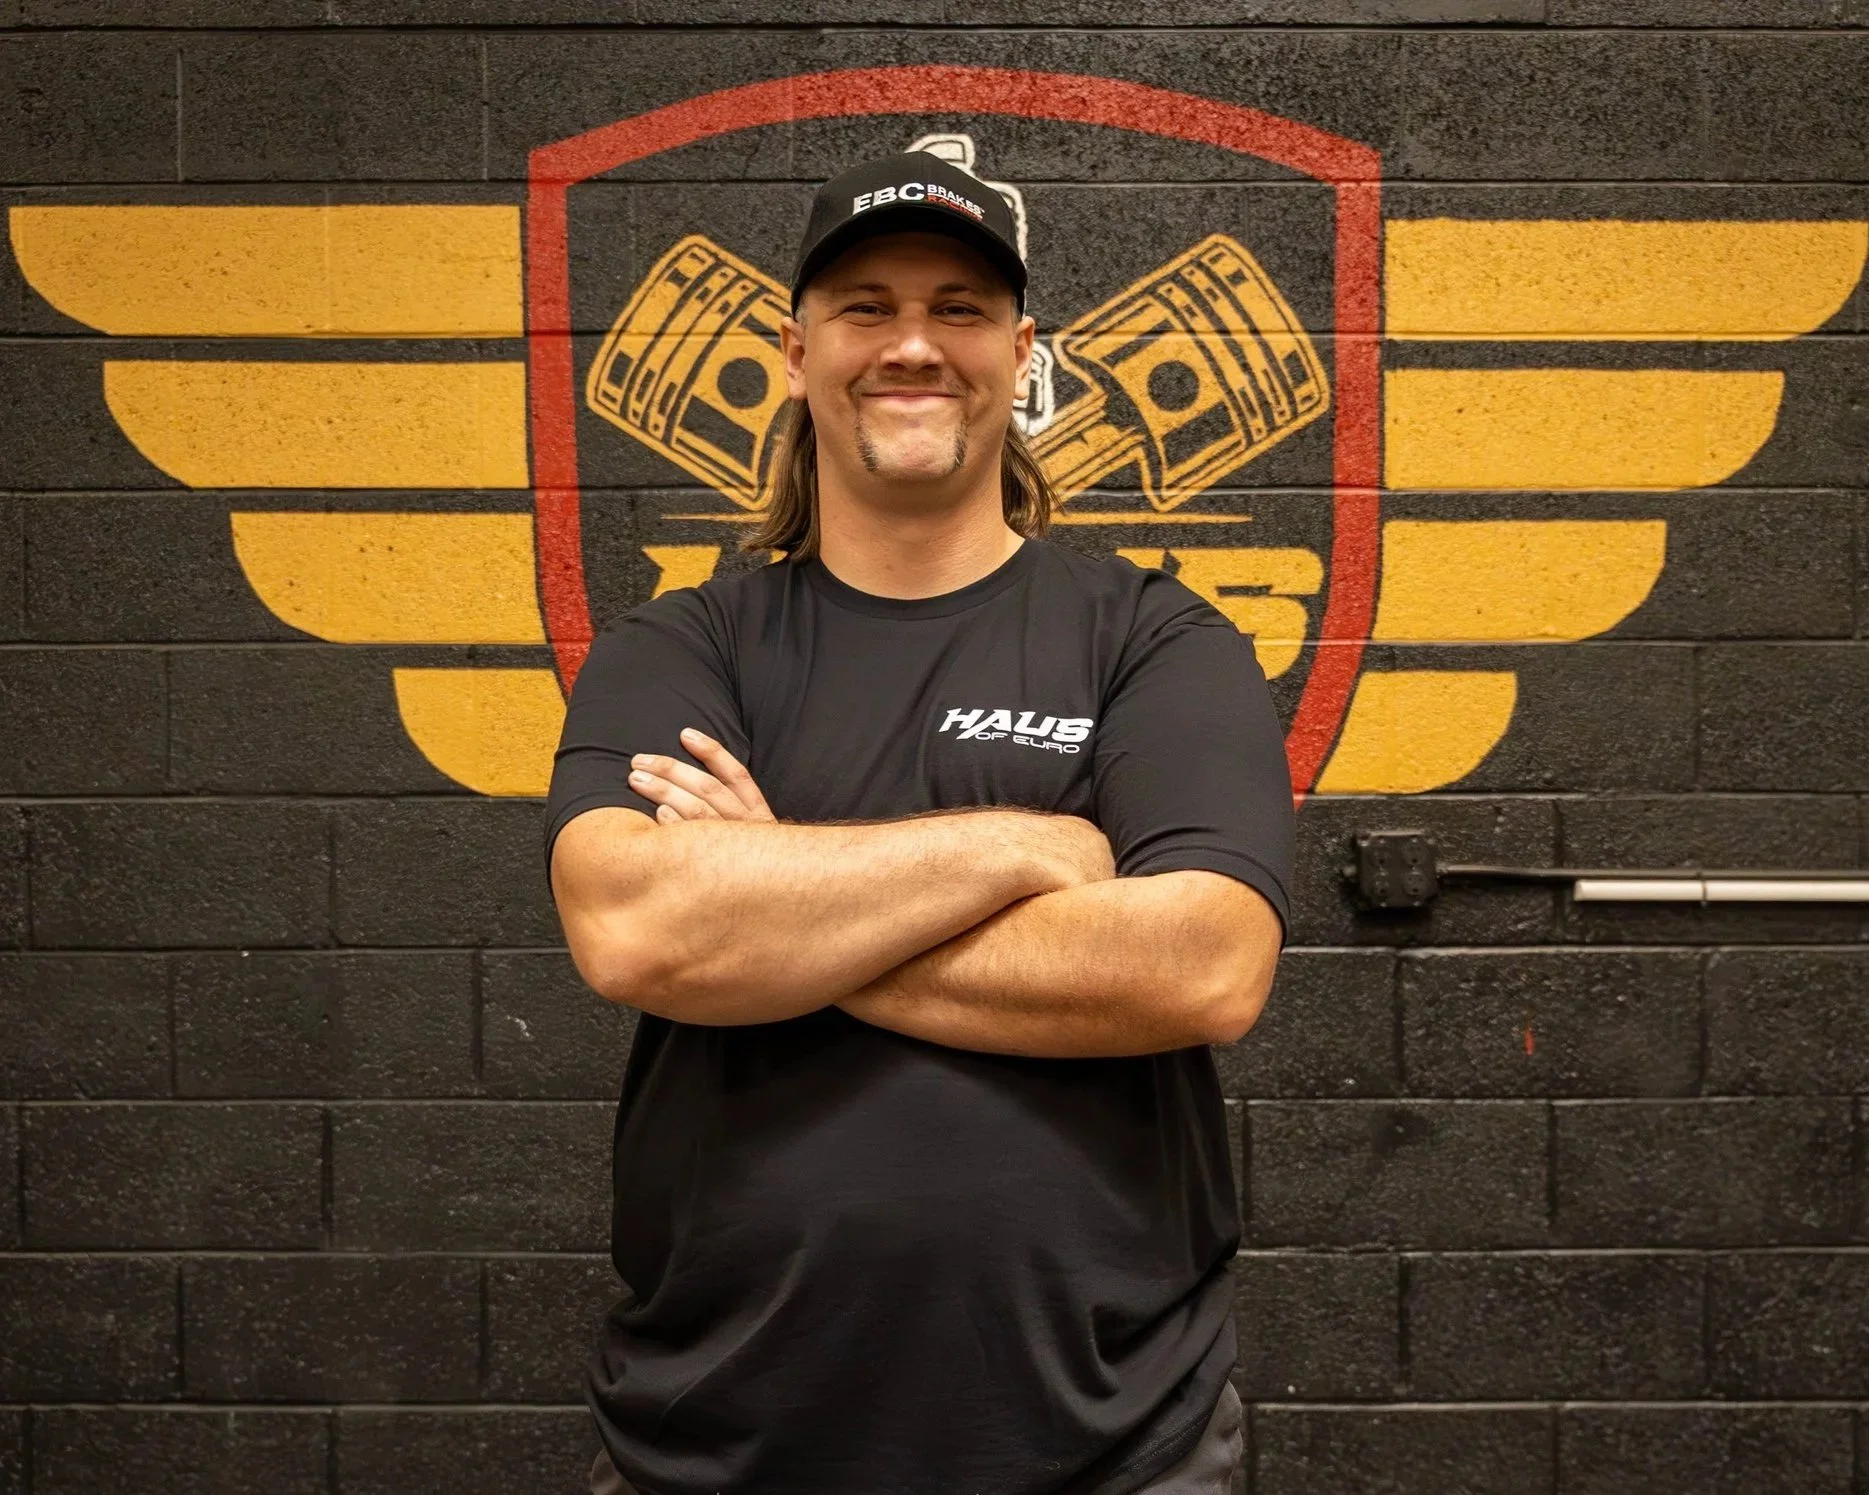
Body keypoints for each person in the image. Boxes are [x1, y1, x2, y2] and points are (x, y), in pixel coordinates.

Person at [545, 149, 1294, 1495]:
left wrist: (776, 902)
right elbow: (633, 926)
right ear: (793, 349)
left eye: (958, 309)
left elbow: (1206, 963)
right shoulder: (685, 647)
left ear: (1022, 353)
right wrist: (1027, 851)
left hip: (1111, 1446)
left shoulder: (1153, 641)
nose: (912, 345)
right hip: (722, 1444)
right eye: (866, 306)